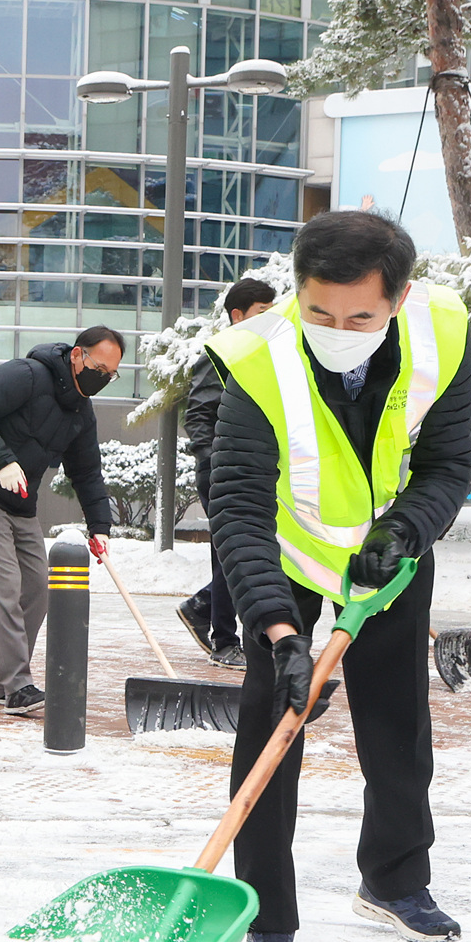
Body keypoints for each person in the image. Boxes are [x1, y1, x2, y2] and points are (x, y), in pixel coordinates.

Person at [205, 209, 471, 942]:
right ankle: (265, 912)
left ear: (399, 297)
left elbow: (448, 463)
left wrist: (408, 530)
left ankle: (395, 878)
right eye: (320, 310)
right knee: (273, 718)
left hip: (387, 549)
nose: (337, 327)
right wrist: (279, 632)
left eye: (360, 315)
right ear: (299, 290)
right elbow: (238, 505)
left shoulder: (443, 333)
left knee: (397, 719)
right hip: (287, 549)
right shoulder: (257, 359)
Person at [0, 328, 118, 716]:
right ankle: (18, 686)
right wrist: (3, 460)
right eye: (99, 367)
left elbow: (86, 472)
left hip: (21, 504)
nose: (102, 377)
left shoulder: (81, 410)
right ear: (78, 356)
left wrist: (100, 525)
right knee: (6, 587)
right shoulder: (26, 375)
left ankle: (4, 682)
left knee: (38, 587)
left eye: (111, 374)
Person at [175, 277, 279, 667]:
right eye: (261, 312)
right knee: (230, 553)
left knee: (253, 550)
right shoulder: (221, 355)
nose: (271, 319)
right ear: (238, 315)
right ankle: (223, 640)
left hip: (259, 471)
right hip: (221, 471)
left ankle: (203, 607)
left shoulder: (266, 354)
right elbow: (199, 414)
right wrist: (214, 460)